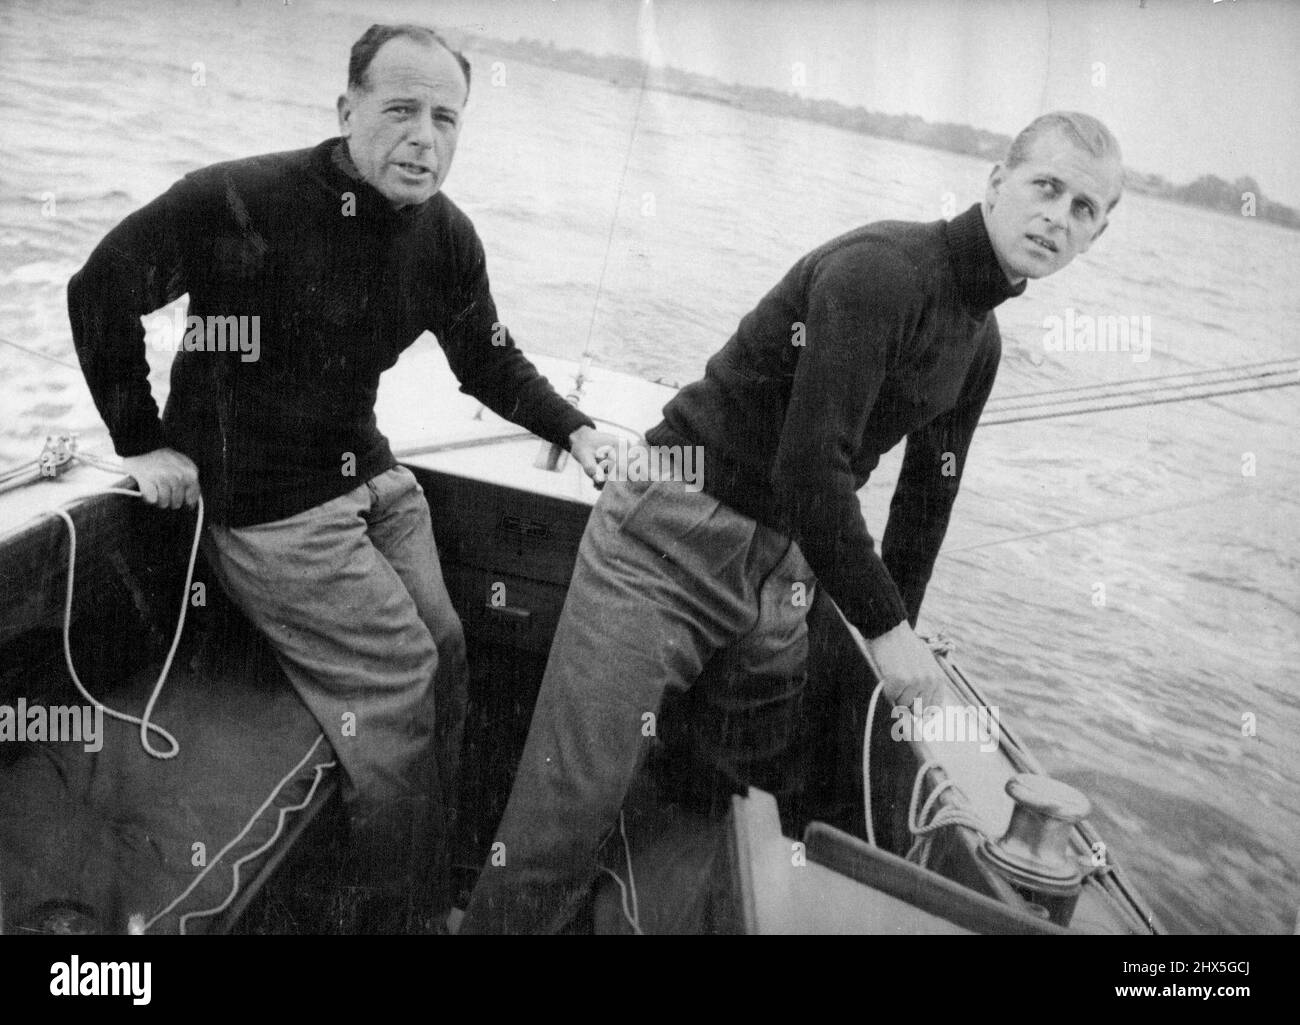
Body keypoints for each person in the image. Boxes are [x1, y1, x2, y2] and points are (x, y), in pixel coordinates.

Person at [462, 111, 1126, 933]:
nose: (1059, 217)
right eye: (1046, 187)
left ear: (1095, 237)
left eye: (1085, 209)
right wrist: (882, 628)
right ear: (996, 183)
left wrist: (902, 634)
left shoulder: (979, 340)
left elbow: (927, 498)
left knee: (731, 809)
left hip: (787, 572)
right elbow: (810, 468)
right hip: (669, 539)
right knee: (564, 813)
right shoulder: (882, 272)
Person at [67, 23, 617, 933]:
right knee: (398, 683)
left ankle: (434, 876)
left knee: (447, 645)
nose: (425, 138)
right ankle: (398, 918)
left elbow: (486, 359)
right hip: (269, 505)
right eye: (401, 109)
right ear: (346, 108)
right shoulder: (243, 197)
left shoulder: (445, 235)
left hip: (370, 475)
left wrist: (577, 428)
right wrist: (142, 440)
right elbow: (100, 287)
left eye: (447, 117)